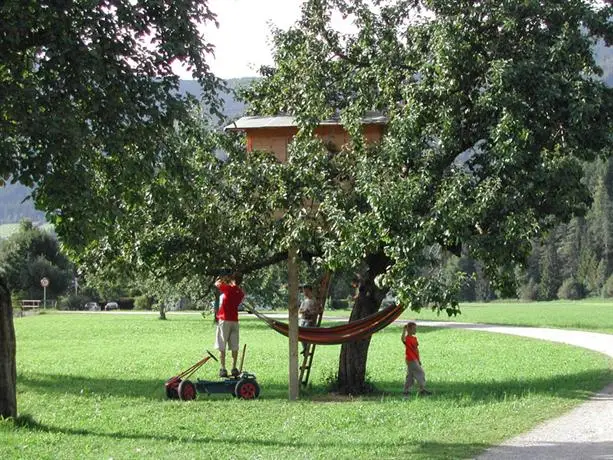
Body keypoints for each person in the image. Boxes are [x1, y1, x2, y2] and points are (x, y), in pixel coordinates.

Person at [214, 272, 245, 378]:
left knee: (222, 345)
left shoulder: (228, 289)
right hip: (235, 321)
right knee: (234, 346)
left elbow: (217, 283)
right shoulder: (240, 293)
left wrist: (221, 277)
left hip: (224, 320)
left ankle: (223, 369)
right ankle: (234, 368)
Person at [401, 321, 432, 397]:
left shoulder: (414, 338)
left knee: (410, 376)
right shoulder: (407, 338)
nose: (415, 330)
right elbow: (402, 339)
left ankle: (406, 390)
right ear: (409, 330)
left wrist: (418, 359)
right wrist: (404, 330)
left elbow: (416, 350)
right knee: (420, 372)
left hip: (415, 359)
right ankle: (422, 389)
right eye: (414, 329)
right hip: (410, 359)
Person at [298, 284, 321, 354]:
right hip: (302, 320)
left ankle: (306, 349)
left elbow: (320, 310)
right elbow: (300, 311)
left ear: (310, 291)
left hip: (310, 321)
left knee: (305, 334)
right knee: (299, 334)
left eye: (306, 291)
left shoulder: (315, 300)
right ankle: (305, 349)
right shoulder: (304, 301)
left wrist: (311, 312)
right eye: (304, 291)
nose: (305, 293)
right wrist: (304, 311)